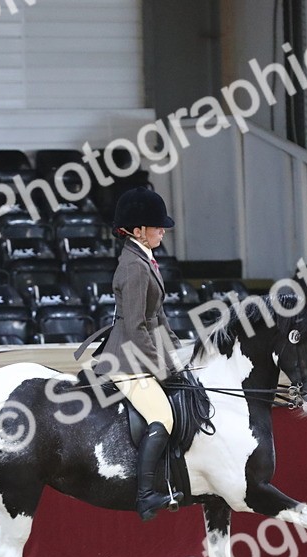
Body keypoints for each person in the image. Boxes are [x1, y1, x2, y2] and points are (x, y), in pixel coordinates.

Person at [79, 186, 183, 521]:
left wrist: (177, 354)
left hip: (141, 352)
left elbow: (159, 317)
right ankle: (146, 495)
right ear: (138, 230)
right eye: (156, 226)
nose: (162, 230)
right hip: (128, 360)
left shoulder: (145, 259)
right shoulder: (134, 267)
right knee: (162, 417)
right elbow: (138, 326)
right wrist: (163, 369)